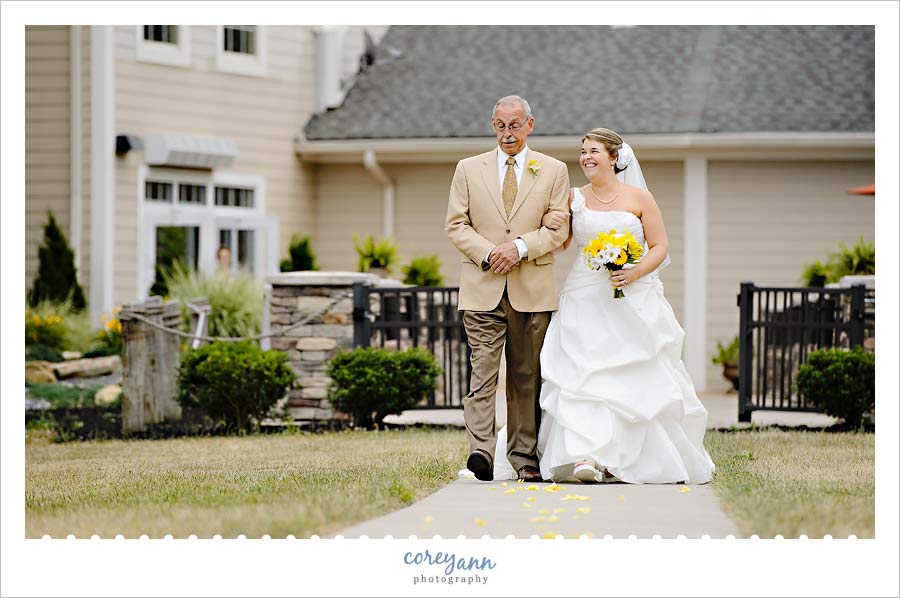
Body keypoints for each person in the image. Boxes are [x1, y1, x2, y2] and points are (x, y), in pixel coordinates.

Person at [488, 128, 715, 485]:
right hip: (583, 297)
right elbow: (559, 244)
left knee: (626, 379)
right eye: (582, 151)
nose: (586, 157)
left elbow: (659, 247)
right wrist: (538, 234)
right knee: (582, 377)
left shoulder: (641, 198)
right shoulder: (573, 197)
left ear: (614, 157)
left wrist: (634, 272)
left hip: (631, 301)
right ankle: (585, 456)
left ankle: (618, 459)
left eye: (594, 151)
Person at [445, 95, 570, 483]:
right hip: (482, 288)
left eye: (514, 125)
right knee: (482, 373)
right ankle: (480, 451)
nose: (507, 134)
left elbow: (558, 230)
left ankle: (523, 456)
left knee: (525, 376)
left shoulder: (553, 170)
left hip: (532, 291)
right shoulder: (468, 169)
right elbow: (456, 225)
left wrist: (518, 248)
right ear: (492, 124)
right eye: (500, 125)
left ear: (530, 125)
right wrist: (490, 254)